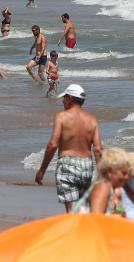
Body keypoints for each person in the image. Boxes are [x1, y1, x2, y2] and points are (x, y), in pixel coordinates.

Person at [35, 84, 103, 212]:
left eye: (64, 98)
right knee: (83, 207)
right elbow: (98, 149)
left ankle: (73, 228)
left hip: (67, 164)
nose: (63, 101)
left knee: (71, 208)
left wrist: (42, 170)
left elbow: (53, 145)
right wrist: (101, 174)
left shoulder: (61, 117)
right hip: (86, 165)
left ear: (70, 98)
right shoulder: (92, 120)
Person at [88, 147, 131, 216]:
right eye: (123, 173)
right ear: (110, 171)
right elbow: (95, 218)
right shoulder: (103, 187)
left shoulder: (111, 189)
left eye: (128, 173)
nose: (126, 177)